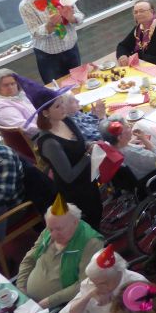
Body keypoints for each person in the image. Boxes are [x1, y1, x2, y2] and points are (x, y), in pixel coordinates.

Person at [24, 75, 102, 228]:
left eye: (62, 103)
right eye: (58, 106)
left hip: (88, 179)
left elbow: (79, 143)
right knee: (89, 222)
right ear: (45, 113)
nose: (63, 108)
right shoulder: (49, 143)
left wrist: (89, 144)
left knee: (97, 210)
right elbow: (68, 176)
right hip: (76, 192)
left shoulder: (66, 120)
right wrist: (88, 155)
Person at [16, 198, 104, 308]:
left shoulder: (91, 243)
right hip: (25, 298)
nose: (53, 235)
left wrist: (49, 301)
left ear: (75, 222)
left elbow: (84, 283)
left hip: (56, 307)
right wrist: (21, 287)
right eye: (50, 229)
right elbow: (29, 259)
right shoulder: (52, 227)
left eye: (59, 229)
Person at [18, 0, 84, 83]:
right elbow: (35, 33)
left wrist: (71, 18)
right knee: (56, 90)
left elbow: (80, 16)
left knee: (79, 83)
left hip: (71, 48)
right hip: (49, 56)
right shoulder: (26, 5)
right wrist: (50, 25)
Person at [116, 0, 156, 68]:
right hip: (143, 65)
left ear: (152, 12)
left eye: (142, 11)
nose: (138, 14)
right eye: (135, 12)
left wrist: (141, 59)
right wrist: (123, 55)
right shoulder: (139, 28)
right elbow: (123, 45)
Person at [99, 116, 156, 184]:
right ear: (120, 137)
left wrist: (127, 142)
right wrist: (145, 140)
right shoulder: (137, 153)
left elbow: (121, 145)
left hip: (133, 174)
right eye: (128, 127)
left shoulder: (109, 145)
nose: (131, 128)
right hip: (152, 176)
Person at [0, 68, 38, 135]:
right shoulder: (1, 107)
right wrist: (47, 129)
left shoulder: (16, 96)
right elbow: (25, 126)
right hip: (36, 136)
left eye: (13, 83)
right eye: (6, 85)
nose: (10, 87)